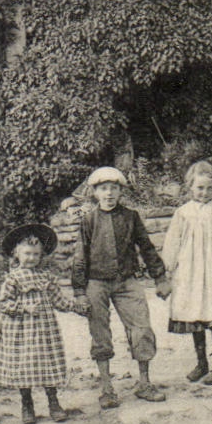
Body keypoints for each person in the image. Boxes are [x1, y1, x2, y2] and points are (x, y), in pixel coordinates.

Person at [71, 166, 171, 408]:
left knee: (142, 328)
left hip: (127, 281)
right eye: (103, 189)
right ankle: (106, 388)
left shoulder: (131, 217)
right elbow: (80, 257)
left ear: (120, 191)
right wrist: (79, 292)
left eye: (114, 188)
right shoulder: (88, 220)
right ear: (95, 193)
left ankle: (144, 383)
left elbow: (146, 247)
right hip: (97, 283)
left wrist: (160, 278)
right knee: (100, 333)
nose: (109, 194)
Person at [162, 160, 212, 385]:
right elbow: (172, 243)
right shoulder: (183, 213)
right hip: (190, 273)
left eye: (209, 188)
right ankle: (201, 363)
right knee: (195, 316)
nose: (204, 192)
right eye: (199, 188)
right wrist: (167, 271)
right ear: (190, 187)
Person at [0, 223, 85, 424]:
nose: (31, 258)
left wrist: (77, 307)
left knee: (47, 363)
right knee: (23, 365)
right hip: (20, 330)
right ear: (16, 254)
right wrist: (23, 308)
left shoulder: (46, 277)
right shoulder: (12, 279)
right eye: (27, 254)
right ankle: (27, 404)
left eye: (36, 254)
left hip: (44, 330)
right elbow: (3, 304)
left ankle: (53, 402)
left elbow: (58, 301)